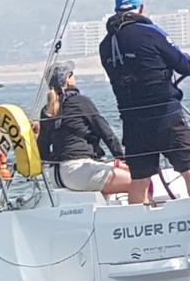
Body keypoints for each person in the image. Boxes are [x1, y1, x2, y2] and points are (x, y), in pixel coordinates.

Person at [99, 0, 190, 204]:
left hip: (133, 124)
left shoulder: (105, 46)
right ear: (141, 8)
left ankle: (135, 227)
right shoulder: (150, 33)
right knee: (189, 170)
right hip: (166, 118)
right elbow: (185, 64)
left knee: (139, 179)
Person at [37, 61, 131, 195]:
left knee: (115, 175)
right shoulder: (81, 102)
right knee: (139, 182)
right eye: (72, 74)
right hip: (77, 172)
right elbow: (107, 134)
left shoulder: (46, 110)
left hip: (56, 175)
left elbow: (42, 149)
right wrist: (123, 159)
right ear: (68, 80)